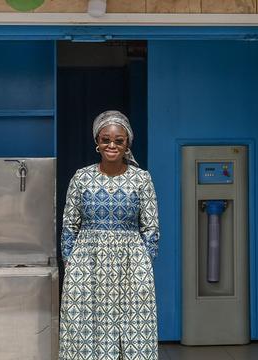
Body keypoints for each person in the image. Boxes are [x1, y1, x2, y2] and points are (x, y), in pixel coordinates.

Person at [59, 110, 160, 359]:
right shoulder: (81, 178)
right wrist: (71, 262)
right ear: (97, 142)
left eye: (118, 140)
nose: (111, 145)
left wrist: (143, 261)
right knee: (85, 326)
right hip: (87, 263)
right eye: (106, 139)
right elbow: (69, 225)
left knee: (134, 328)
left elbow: (151, 227)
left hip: (131, 264)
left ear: (127, 144)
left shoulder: (141, 179)